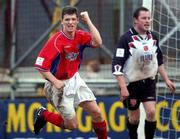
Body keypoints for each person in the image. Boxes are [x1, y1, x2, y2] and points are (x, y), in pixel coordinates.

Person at [34, 6, 107, 139]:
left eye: (73, 19)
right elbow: (40, 66)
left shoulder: (80, 35)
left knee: (97, 113)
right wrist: (55, 81)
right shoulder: (56, 41)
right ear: (61, 21)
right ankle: (43, 114)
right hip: (57, 84)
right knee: (72, 125)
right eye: (67, 19)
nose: (70, 22)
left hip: (74, 78)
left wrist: (88, 21)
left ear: (77, 20)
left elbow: (98, 42)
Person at [112, 7, 176, 139]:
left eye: (149, 18)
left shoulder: (154, 37)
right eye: (144, 18)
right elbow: (116, 66)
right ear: (135, 20)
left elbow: (158, 61)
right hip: (132, 85)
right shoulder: (126, 39)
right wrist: (123, 88)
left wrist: (167, 79)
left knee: (152, 112)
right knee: (134, 119)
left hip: (149, 82)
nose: (147, 21)